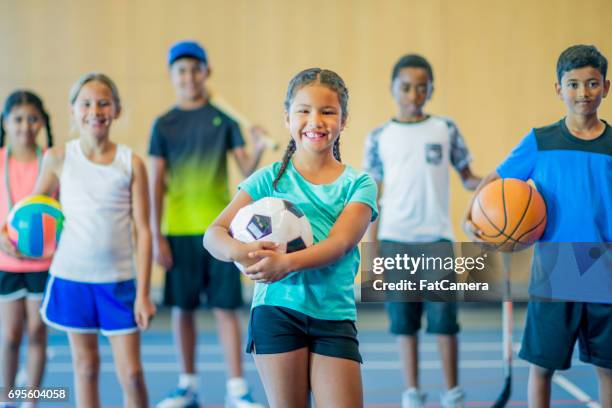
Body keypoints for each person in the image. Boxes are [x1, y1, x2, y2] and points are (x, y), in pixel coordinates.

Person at [204, 68, 379, 408]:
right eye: (304, 110)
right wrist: (241, 251)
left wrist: (286, 263)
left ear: (343, 121)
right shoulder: (267, 179)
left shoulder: (359, 184)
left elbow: (340, 244)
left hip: (333, 315)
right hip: (277, 311)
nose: (315, 120)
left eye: (328, 111)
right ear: (287, 118)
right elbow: (213, 234)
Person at [463, 44, 612, 407]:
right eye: (573, 84)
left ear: (606, 87)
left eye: (592, 84)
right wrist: (472, 219)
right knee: (542, 367)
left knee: (608, 368)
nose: (583, 93)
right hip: (555, 267)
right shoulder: (540, 141)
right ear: (558, 89)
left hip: (606, 267)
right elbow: (494, 181)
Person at [151, 40, 267, 408]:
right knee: (183, 309)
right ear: (173, 76)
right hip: (180, 231)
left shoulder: (225, 120)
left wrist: (259, 146)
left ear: (206, 73)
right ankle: (187, 385)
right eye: (181, 71)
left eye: (195, 69)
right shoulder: (164, 124)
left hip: (221, 232)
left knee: (225, 309)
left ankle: (237, 388)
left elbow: (247, 171)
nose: (188, 77)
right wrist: (156, 236)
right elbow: (156, 184)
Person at [363, 54, 481, 408]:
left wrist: (498, 184)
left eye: (421, 87)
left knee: (445, 322)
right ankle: (412, 392)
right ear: (392, 89)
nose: (413, 94)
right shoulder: (379, 137)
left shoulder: (445, 129)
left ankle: (452, 393)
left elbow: (469, 177)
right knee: (404, 324)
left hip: (437, 240)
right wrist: (373, 253)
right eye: (405, 87)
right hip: (394, 241)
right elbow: (372, 196)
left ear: (431, 89)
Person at [34, 73, 156, 407]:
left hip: (118, 283)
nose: (95, 110)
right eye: (86, 103)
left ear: (116, 110)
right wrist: (8, 229)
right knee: (85, 367)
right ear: (73, 111)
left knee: (131, 373)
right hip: (72, 278)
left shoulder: (130, 163)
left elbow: (144, 230)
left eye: (104, 102)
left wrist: (144, 293)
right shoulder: (58, 158)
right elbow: (33, 208)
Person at [0, 90, 53, 407]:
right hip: (6, 263)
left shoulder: (51, 160)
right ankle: (6, 397)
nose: (25, 125)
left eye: (32, 118)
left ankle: (30, 399)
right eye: (18, 119)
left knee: (37, 332)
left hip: (44, 262)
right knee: (10, 335)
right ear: (6, 122)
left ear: (42, 122)